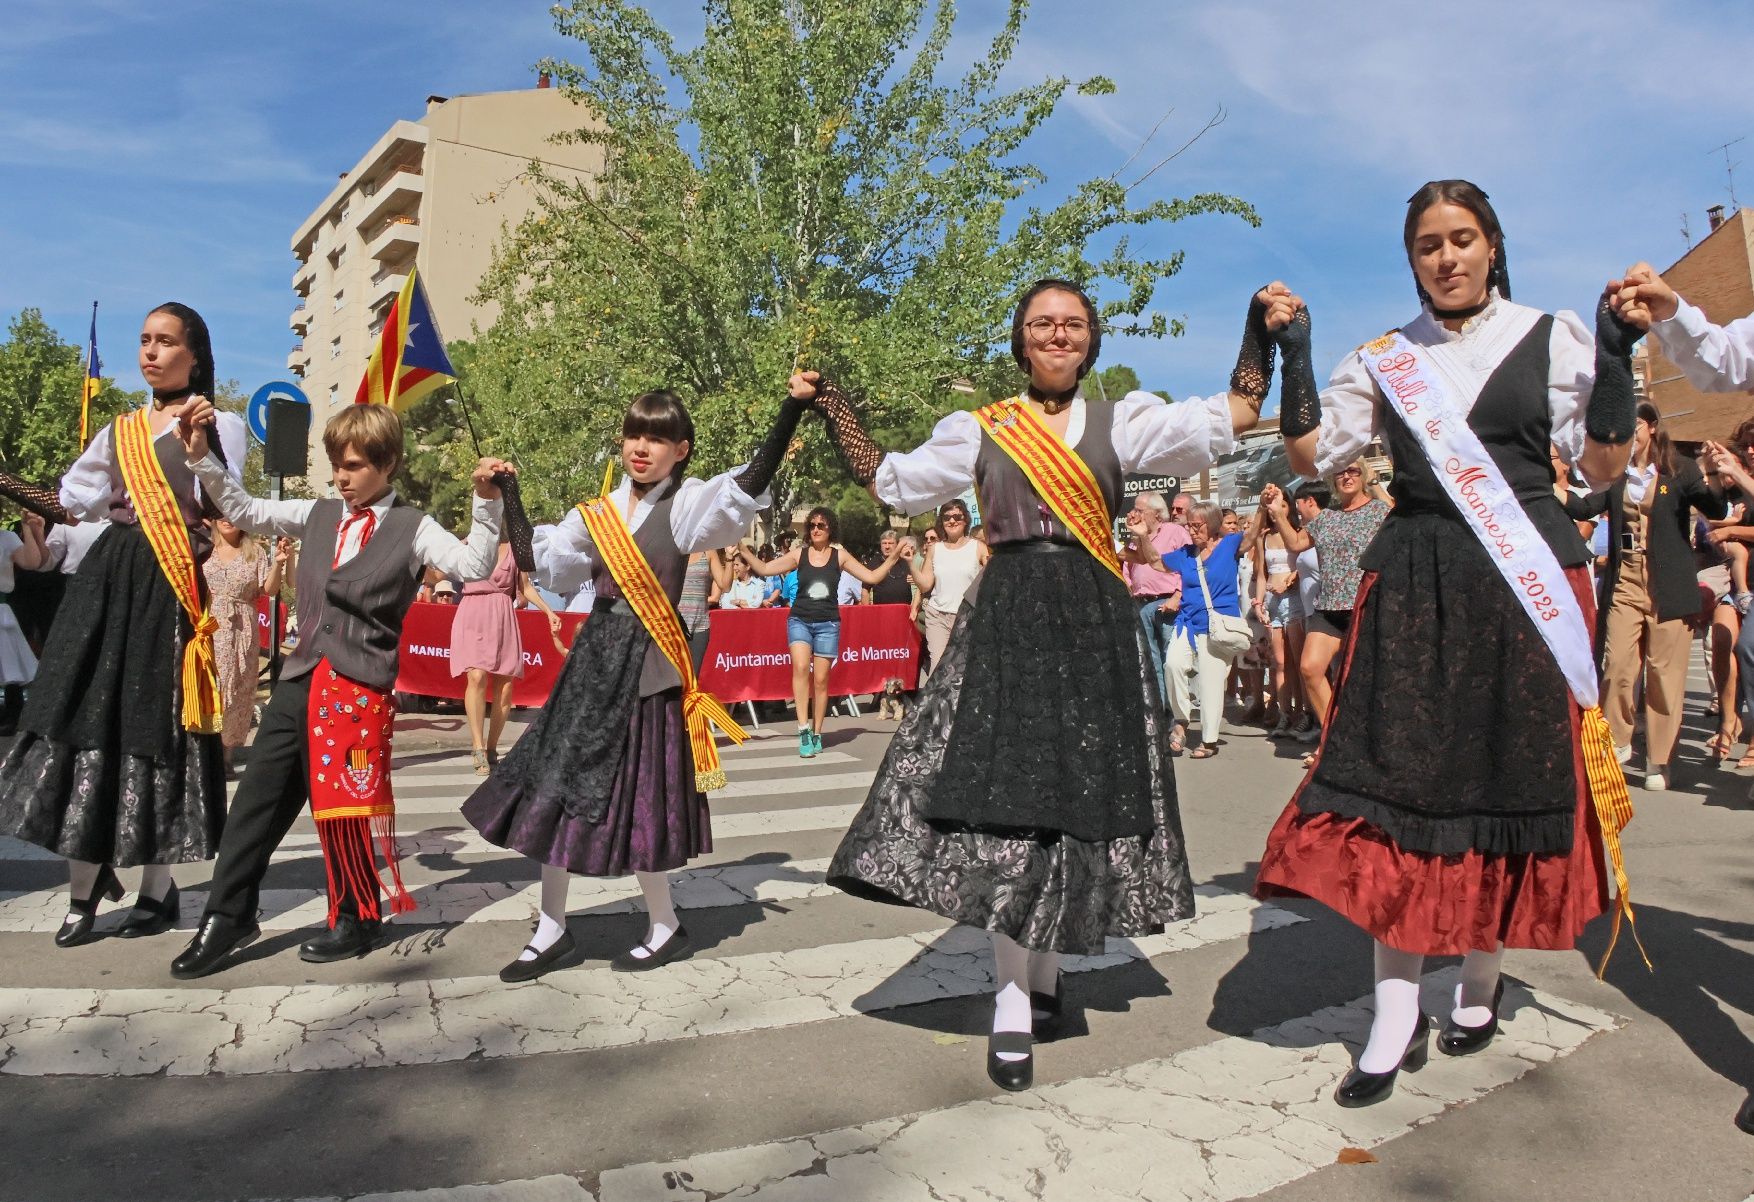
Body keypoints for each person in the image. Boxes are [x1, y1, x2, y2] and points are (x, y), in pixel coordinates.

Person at [813, 275, 1276, 1091]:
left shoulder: (1122, 421)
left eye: (1072, 325)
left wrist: (1257, 327)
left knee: (1074, 799)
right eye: (1041, 325)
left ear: (1090, 340)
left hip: (1096, 619)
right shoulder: (980, 427)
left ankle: (1051, 973)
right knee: (1006, 804)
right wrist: (832, 403)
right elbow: (889, 482)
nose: (1057, 336)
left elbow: (1236, 412)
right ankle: (1012, 1003)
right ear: (1021, 339)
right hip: (1013, 619)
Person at [1255, 180, 1643, 1109]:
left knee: (1505, 779)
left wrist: (1621, 354)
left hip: (1526, 586)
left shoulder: (1552, 337)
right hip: (1419, 583)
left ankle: (1478, 982)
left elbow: (1602, 467)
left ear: (1494, 246)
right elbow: (1314, 458)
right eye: (1428, 244)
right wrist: (1296, 356)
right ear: (1414, 259)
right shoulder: (1387, 357)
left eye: (1463, 238)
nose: (1447, 257)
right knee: (1404, 790)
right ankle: (1393, 1019)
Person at [461, 387, 803, 981]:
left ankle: (665, 923)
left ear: (681, 449)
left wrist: (791, 409)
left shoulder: (690, 505)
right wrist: (509, 491)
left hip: (649, 667)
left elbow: (746, 484)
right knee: (557, 788)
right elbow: (539, 561)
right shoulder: (596, 513)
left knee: (645, 797)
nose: (641, 448)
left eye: (657, 438)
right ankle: (552, 926)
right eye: (634, 435)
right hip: (594, 661)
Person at [168, 403, 510, 977]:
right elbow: (244, 508)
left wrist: (485, 500)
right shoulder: (319, 513)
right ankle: (229, 914)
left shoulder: (414, 526)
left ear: (388, 463)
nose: (341, 478)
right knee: (254, 803)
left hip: (358, 688)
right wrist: (202, 458)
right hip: (300, 679)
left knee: (344, 810)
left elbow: (474, 565)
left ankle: (356, 915)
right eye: (335, 466)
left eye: (353, 466)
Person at [0, 303, 244, 948]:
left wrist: (201, 452)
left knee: (151, 724)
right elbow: (72, 502)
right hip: (108, 578)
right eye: (144, 341)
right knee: (79, 715)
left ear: (195, 354)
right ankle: (83, 891)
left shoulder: (221, 425)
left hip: (169, 585)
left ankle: (156, 887)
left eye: (165, 342)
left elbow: (231, 510)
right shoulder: (120, 430)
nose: (151, 352)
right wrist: (6, 480)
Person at [1562, 403, 1735, 789]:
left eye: (1636, 425)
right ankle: (1618, 742)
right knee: (1618, 665)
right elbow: (1586, 506)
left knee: (1663, 675)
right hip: (1626, 580)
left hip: (1668, 584)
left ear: (1652, 427)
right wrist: (1547, 488)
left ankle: (1660, 759)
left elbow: (1713, 506)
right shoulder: (1616, 475)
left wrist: (1715, 474)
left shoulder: (1678, 470)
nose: (1630, 432)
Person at [739, 506, 903, 757]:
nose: (815, 529)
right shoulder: (799, 554)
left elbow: (871, 576)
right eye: (812, 525)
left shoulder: (840, 556)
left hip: (828, 624)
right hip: (799, 620)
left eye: (821, 525)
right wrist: (742, 550)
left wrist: (893, 558)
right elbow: (764, 569)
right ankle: (803, 728)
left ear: (830, 529)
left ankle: (817, 731)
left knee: (821, 681)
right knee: (801, 668)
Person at [1262, 456, 1389, 764]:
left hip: (1365, 606)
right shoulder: (1326, 518)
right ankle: (1334, 739)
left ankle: (1370, 744)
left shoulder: (1380, 511)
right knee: (1310, 668)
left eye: (1352, 471)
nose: (1346, 476)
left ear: (1362, 474)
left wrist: (1374, 483)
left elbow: (1399, 509)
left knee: (1362, 680)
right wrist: (1279, 511)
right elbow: (1294, 544)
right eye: (1340, 472)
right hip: (1328, 605)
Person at [1139, 499, 1258, 759]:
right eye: (1190, 525)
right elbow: (1156, 562)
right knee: (1172, 665)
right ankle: (1181, 721)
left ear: (1213, 524)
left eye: (1197, 526)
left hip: (1217, 625)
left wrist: (1265, 507)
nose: (1191, 531)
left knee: (1210, 680)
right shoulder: (1185, 553)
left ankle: (1209, 739)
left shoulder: (1229, 544)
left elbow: (1251, 537)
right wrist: (1142, 537)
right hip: (1188, 623)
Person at [453, 533, 561, 774]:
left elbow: (525, 587)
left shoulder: (516, 548)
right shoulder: (470, 543)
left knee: (505, 687)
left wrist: (548, 611)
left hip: (502, 614)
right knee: (476, 676)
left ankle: (491, 748)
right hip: (472, 612)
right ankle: (477, 746)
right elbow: (439, 572)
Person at [203, 521, 290, 775]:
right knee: (211, 686)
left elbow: (269, 590)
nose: (228, 519)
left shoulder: (255, 552)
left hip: (243, 627)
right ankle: (205, 749)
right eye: (222, 514)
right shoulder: (204, 548)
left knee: (239, 688)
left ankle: (226, 754)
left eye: (233, 514)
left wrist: (279, 563)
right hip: (209, 624)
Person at [1120, 490, 1188, 710]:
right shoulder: (1137, 538)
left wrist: (1178, 595)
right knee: (1151, 663)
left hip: (1168, 604)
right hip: (1141, 605)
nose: (1134, 514)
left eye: (1140, 510)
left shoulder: (1175, 532)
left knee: (1172, 663)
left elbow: (1189, 566)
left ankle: (1177, 714)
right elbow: (1129, 569)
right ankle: (1160, 711)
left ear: (1157, 514)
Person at [912, 498, 989, 680]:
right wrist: (910, 564)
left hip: (967, 617)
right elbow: (925, 585)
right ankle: (939, 709)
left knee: (965, 669)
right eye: (947, 517)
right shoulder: (934, 549)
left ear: (966, 520)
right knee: (938, 669)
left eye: (957, 516)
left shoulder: (978, 547)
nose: (952, 521)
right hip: (938, 616)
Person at [1255, 483, 1305, 737]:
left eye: (1283, 504)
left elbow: (1305, 564)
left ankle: (1302, 713)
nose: (1278, 509)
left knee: (1299, 662)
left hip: (1295, 601)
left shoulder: (1298, 532)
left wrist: (1292, 578)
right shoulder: (1264, 536)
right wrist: (1258, 602)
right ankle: (1284, 714)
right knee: (1280, 663)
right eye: (1274, 505)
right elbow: (1261, 576)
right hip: (1273, 605)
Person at [0, 512, 47, 736]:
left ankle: (12, 715)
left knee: (9, 665)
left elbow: (32, 562)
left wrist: (28, 529)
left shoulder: (6, 538)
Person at [863, 529, 915, 606]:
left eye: (890, 543)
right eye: (884, 543)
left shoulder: (906, 561)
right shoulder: (873, 563)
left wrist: (915, 579)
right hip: (881, 611)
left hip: (904, 610)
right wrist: (866, 613)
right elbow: (865, 591)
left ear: (897, 545)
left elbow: (920, 585)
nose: (887, 546)